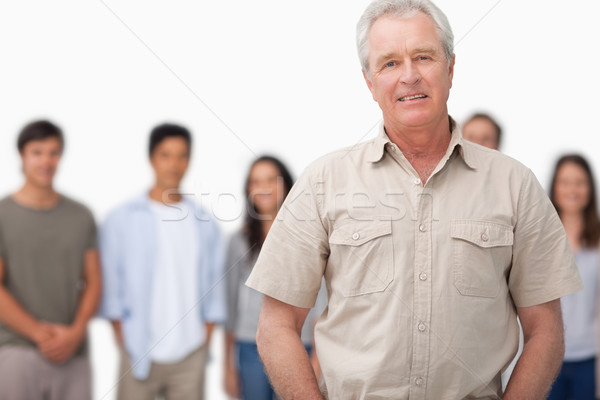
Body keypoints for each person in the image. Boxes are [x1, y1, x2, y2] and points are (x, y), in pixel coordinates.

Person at [245, 0, 583, 399]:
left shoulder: (516, 185)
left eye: (423, 57)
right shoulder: (322, 182)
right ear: (370, 82)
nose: (409, 76)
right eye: (389, 63)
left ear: (451, 68)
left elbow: (546, 331)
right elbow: (277, 326)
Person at [99, 123, 226, 400]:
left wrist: (204, 336)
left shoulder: (204, 224)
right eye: (165, 155)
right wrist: (123, 333)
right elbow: (111, 283)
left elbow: (215, 285)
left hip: (190, 352)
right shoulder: (121, 218)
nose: (174, 164)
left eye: (182, 155)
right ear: (151, 159)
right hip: (138, 349)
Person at [0, 120, 101, 400]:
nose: (46, 161)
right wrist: (38, 333)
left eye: (54, 152)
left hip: (74, 351)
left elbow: (94, 280)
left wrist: (75, 333)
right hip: (16, 351)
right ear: (22, 155)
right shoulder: (2, 214)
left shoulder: (81, 215)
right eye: (37, 152)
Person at [224, 156, 326, 400]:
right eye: (256, 181)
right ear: (248, 189)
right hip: (249, 346)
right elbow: (229, 306)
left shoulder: (307, 236)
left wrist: (316, 361)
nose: (263, 187)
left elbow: (321, 302)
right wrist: (227, 366)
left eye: (271, 179)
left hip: (299, 344)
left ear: (286, 185)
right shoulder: (237, 241)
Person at [547, 154, 600, 400]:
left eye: (580, 182)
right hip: (546, 358)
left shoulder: (598, 240)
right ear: (554, 187)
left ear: (590, 188)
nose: (572, 189)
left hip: (589, 358)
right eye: (565, 182)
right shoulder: (539, 237)